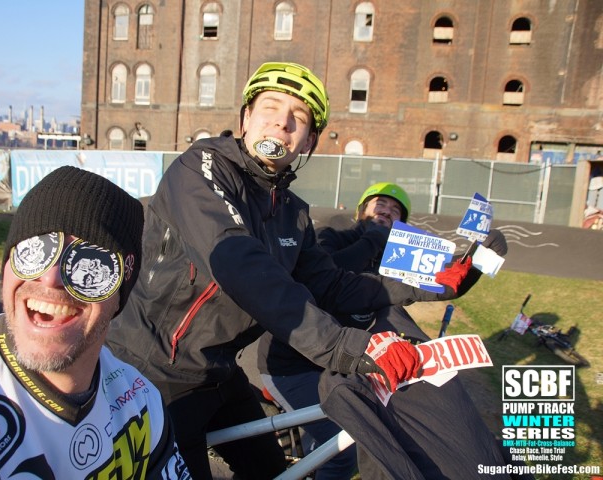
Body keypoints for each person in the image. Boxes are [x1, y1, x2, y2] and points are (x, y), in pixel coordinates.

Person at [106, 62, 475, 480]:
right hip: (153, 372)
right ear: (245, 118)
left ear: (308, 141)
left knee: (271, 470)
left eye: (298, 118)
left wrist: (428, 284)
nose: (282, 122)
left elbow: (334, 285)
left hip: (217, 371)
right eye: (270, 107)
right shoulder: (201, 168)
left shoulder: (293, 213)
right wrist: (354, 348)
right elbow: (240, 265)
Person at [0, 166, 190, 479]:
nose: (50, 277)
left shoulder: (140, 401)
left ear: (119, 291)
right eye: (35, 250)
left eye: (90, 263)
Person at [258, 181, 518, 479]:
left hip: (351, 362)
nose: (387, 211)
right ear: (361, 210)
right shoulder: (332, 235)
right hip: (294, 365)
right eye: (379, 204)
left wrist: (473, 267)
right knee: (341, 454)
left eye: (395, 211)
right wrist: (373, 239)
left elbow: (433, 285)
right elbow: (328, 277)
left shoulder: (394, 256)